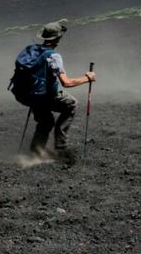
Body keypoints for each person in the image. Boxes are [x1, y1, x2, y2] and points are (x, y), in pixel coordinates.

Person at [10, 19, 96, 160]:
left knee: (46, 121)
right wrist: (88, 78)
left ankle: (36, 153)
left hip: (28, 94)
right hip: (43, 94)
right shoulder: (53, 56)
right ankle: (60, 146)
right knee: (71, 104)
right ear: (58, 38)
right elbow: (66, 82)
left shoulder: (31, 50)